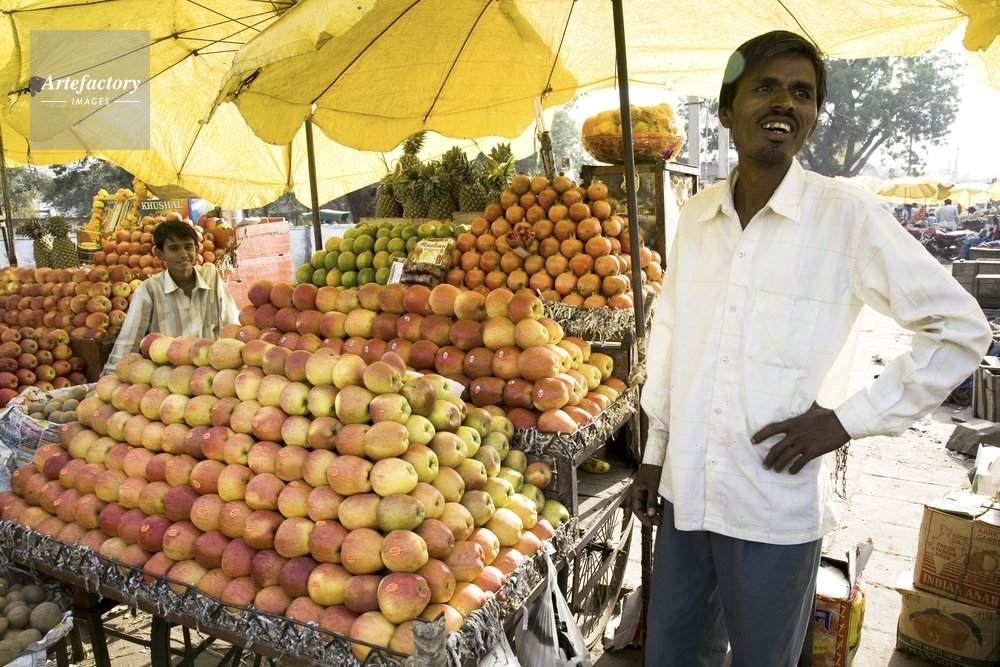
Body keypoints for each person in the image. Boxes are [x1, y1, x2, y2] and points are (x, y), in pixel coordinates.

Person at [633, 30, 991, 667]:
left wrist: (846, 420)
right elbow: (671, 337)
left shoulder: (847, 215)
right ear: (726, 110)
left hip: (771, 500)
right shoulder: (698, 217)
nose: (785, 103)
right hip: (686, 489)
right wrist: (655, 454)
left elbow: (959, 327)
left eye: (802, 93)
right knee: (672, 654)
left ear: (814, 117)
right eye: (766, 87)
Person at [103, 220, 241, 374]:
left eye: (188, 247)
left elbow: (231, 323)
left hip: (210, 370)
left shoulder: (211, 278)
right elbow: (128, 341)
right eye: (174, 248)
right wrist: (110, 376)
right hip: (169, 374)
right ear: (160, 254)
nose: (183, 254)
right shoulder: (149, 290)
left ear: (197, 249)